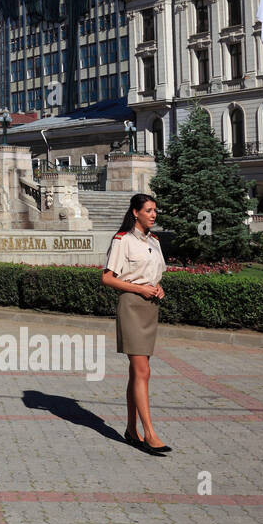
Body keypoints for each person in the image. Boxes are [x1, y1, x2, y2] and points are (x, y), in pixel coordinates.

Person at [100, 193, 170, 456]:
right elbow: (107, 278)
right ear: (136, 212)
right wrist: (138, 289)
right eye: (149, 210)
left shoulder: (154, 241)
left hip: (150, 307)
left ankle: (131, 429)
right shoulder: (123, 240)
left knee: (138, 371)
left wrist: (157, 287)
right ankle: (150, 433)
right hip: (131, 305)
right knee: (143, 371)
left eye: (155, 210)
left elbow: (153, 274)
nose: (153, 214)